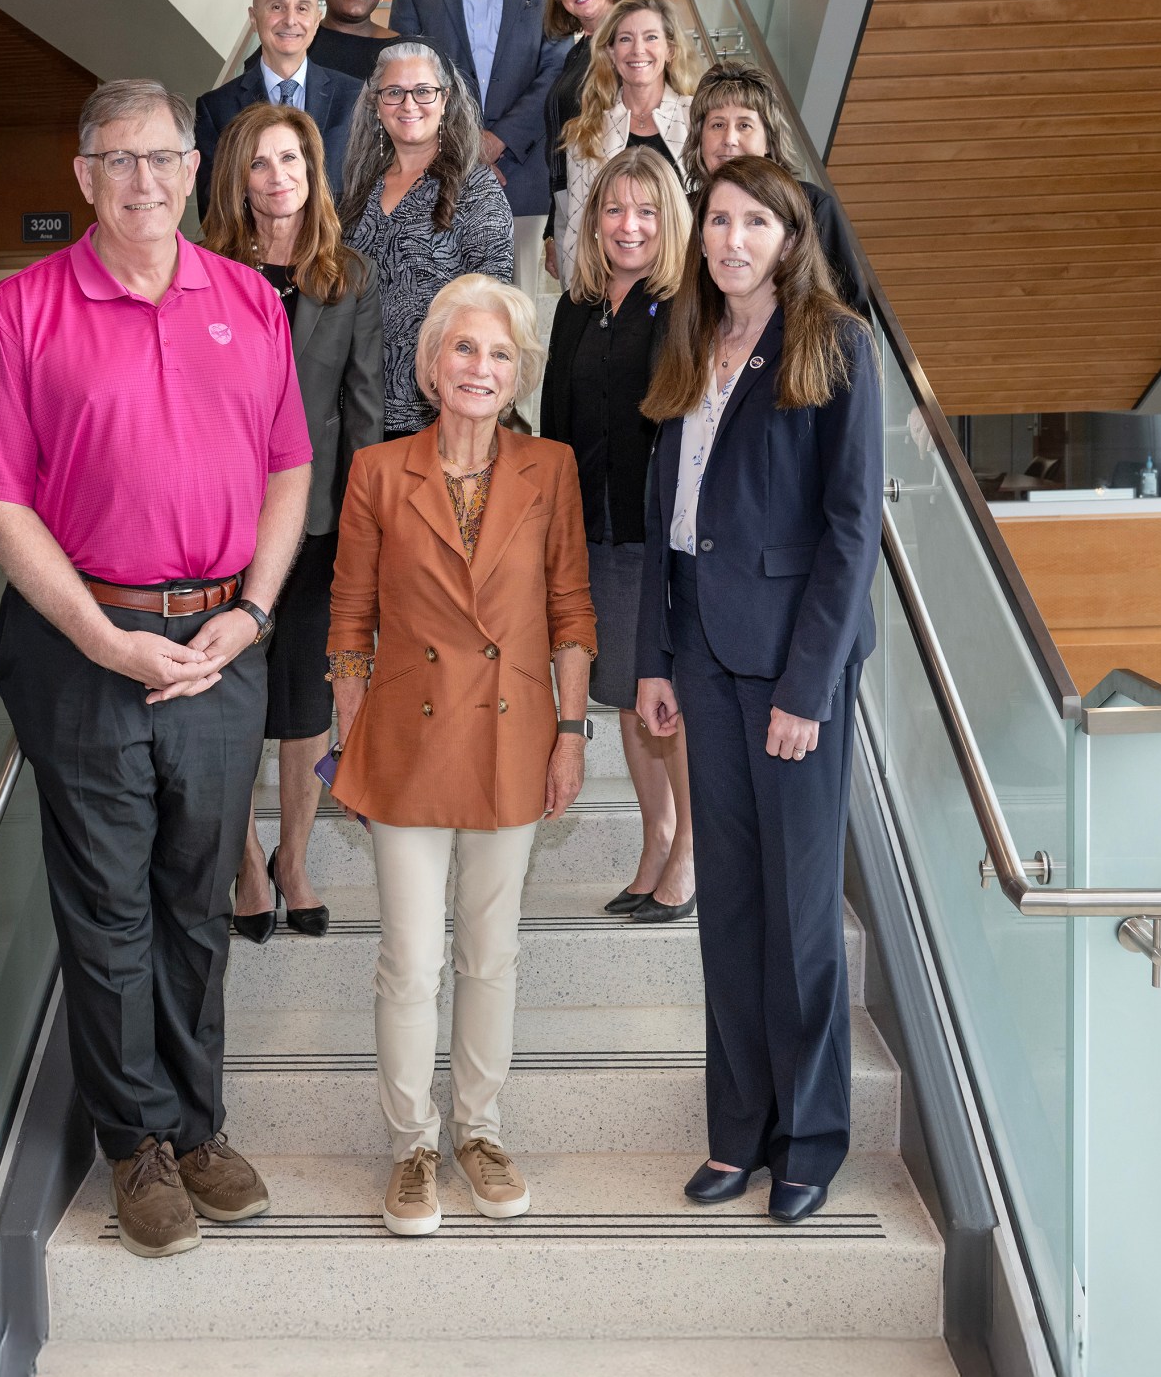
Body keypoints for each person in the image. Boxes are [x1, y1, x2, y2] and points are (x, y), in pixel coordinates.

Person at [0, 80, 313, 1258]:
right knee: (106, 908)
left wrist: (250, 614)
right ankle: (132, 1143)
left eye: (161, 157)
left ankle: (198, 1128)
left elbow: (288, 471)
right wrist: (101, 639)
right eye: (117, 160)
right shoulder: (22, 314)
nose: (143, 180)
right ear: (82, 176)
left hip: (216, 649)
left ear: (193, 167)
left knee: (197, 903)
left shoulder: (247, 299)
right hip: (80, 651)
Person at [633, 155, 882, 1226]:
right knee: (727, 909)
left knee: (798, 921)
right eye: (717, 221)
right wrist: (652, 656)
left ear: (789, 236)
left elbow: (848, 532)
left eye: (752, 223)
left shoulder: (833, 343)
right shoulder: (691, 340)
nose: (729, 240)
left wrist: (807, 687)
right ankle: (735, 1131)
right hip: (700, 657)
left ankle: (810, 1142)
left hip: (790, 673)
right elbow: (666, 521)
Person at [325, 274, 596, 1237]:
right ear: (432, 364)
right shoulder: (375, 470)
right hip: (406, 742)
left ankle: (478, 1132)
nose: (481, 368)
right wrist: (350, 735)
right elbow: (349, 617)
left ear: (520, 372)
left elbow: (570, 610)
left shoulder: (551, 468)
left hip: (516, 734)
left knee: (491, 955)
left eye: (500, 354)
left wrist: (571, 731)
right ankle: (412, 1145)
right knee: (409, 961)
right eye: (464, 349)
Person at [200, 100, 383, 942]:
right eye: (262, 163)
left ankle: (296, 860)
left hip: (312, 533)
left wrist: (362, 535)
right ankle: (243, 862)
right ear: (238, 177)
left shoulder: (349, 277)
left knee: (307, 706)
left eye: (294, 162)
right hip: (215, 531)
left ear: (315, 176)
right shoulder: (198, 272)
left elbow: (364, 412)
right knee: (231, 706)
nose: (280, 178)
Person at [538, 147, 696, 923]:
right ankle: (655, 837)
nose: (628, 225)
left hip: (657, 536)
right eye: (612, 209)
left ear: (669, 222)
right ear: (592, 220)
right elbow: (554, 427)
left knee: (666, 698)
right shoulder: (575, 307)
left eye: (645, 211)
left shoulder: (688, 305)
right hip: (593, 534)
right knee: (630, 700)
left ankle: (689, 854)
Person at [387, 0, 566, 269]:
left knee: (515, 315)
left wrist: (499, 138)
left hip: (520, 174)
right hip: (437, 174)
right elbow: (407, 77)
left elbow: (555, 71)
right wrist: (467, 144)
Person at [342, 41, 515, 439]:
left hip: (439, 416)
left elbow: (495, 308)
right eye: (393, 92)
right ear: (375, 103)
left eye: (423, 91)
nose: (409, 105)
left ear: (445, 99)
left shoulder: (476, 190)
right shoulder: (358, 189)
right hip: (358, 412)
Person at [681, 63, 870, 313]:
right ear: (699, 139)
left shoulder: (812, 205)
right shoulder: (683, 210)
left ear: (769, 140)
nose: (729, 139)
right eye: (717, 125)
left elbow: (850, 312)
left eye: (744, 125)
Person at [195, 0, 361, 211]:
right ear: (254, 18)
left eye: (302, 8)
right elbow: (215, 208)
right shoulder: (216, 109)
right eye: (276, 7)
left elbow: (365, 194)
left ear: (317, 21)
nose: (291, 20)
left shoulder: (356, 97)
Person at [556, 0, 697, 279]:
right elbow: (578, 225)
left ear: (670, 50)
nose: (638, 50)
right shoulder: (586, 132)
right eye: (625, 39)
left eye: (651, 37)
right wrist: (576, 298)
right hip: (613, 290)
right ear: (610, 52)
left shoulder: (697, 119)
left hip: (687, 285)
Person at [539, 0, 633, 284]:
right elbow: (561, 149)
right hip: (572, 206)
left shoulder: (633, 37)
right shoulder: (577, 52)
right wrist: (553, 228)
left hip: (619, 205)